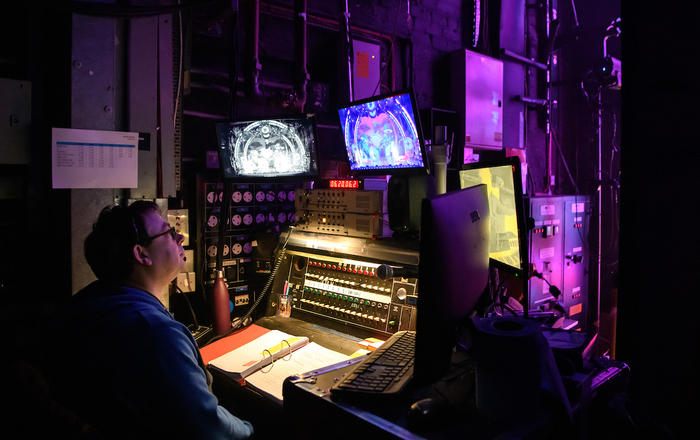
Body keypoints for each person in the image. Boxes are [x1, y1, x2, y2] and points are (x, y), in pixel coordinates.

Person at [47, 201, 254, 439]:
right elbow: (210, 429)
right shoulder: (154, 332)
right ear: (141, 253)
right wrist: (252, 427)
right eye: (169, 232)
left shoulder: (90, 301)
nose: (181, 237)